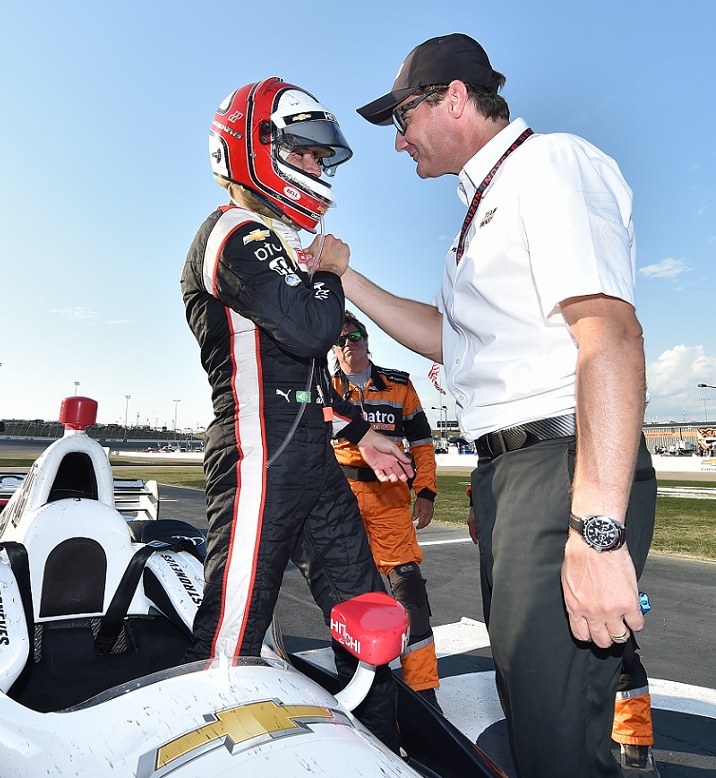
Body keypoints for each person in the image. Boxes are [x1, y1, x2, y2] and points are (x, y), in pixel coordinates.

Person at [349, 34, 659, 777]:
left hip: (562, 465)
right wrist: (346, 276)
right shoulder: (479, 210)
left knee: (556, 735)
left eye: (403, 116)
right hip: (515, 475)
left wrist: (598, 528)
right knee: (534, 715)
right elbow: (447, 340)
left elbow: (609, 334)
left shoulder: (548, 165)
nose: (398, 141)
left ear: (454, 98)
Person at [180, 77, 413, 750]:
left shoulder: (280, 246)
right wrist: (332, 272)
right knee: (231, 635)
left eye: (320, 157)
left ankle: (381, 752)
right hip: (257, 461)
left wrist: (361, 430)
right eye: (306, 153)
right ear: (255, 148)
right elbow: (315, 333)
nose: (316, 168)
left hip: (307, 460)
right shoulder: (230, 230)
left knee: (368, 621)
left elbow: (304, 384)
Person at [330, 311, 442, 710]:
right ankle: (361, 689)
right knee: (347, 596)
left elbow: (424, 443)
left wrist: (426, 490)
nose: (349, 343)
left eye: (355, 335)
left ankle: (423, 690)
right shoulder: (322, 388)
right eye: (340, 338)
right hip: (340, 504)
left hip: (392, 502)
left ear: (366, 339)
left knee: (410, 592)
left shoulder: (399, 385)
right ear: (332, 346)